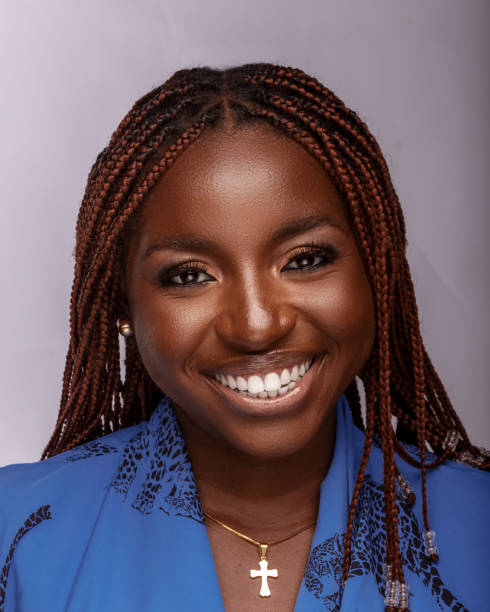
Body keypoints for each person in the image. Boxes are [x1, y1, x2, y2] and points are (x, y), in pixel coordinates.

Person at [0, 63, 488, 612]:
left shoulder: (482, 527)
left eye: (304, 260)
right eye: (189, 275)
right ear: (124, 304)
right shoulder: (14, 535)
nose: (257, 325)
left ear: (376, 272)